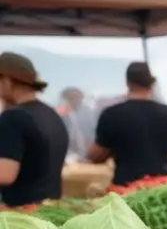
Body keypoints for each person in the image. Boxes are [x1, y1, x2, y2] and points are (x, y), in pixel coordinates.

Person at [88, 62, 167, 186]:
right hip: (161, 188)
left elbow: (96, 157)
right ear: (151, 84)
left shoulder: (111, 115)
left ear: (128, 83)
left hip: (126, 189)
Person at [0, 52, 68, 207]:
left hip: (21, 214)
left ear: (7, 81)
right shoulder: (52, 114)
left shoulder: (13, 117)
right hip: (51, 211)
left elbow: (4, 174)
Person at [58, 86, 96, 159]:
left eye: (79, 98)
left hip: (87, 152)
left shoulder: (88, 112)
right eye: (73, 98)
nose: (77, 100)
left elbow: (93, 131)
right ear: (67, 99)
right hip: (67, 153)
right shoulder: (60, 114)